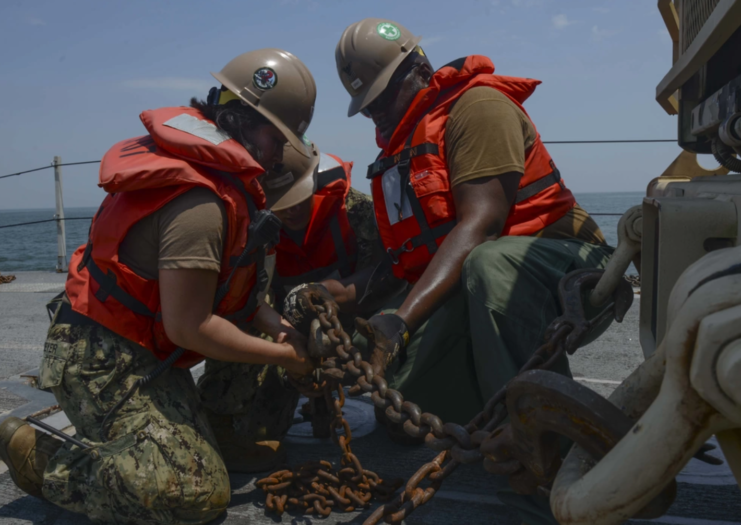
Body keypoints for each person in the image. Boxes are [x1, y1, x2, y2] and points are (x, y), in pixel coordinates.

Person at [0, 49, 316, 525]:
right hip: (99, 358)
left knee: (256, 358)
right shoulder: (202, 203)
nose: (278, 154)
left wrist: (279, 327)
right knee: (193, 494)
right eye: (276, 138)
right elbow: (190, 327)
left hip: (147, 345)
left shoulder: (224, 191)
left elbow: (238, 301)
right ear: (239, 121)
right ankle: (40, 458)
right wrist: (285, 357)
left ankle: (217, 434)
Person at [334, 19, 614, 524]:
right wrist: (330, 299)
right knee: (399, 408)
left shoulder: (477, 108)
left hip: (567, 272)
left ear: (419, 69)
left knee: (489, 264)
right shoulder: (398, 155)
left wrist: (398, 324)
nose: (376, 110)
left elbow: (482, 226)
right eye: (368, 103)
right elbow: (401, 264)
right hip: (481, 282)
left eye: (382, 94)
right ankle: (493, 414)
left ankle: (545, 458)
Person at [260, 140, 386, 323]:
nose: (292, 210)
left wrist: (335, 291)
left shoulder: (355, 211)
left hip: (360, 320)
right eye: (282, 201)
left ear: (313, 184)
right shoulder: (257, 232)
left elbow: (383, 273)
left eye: (299, 197)